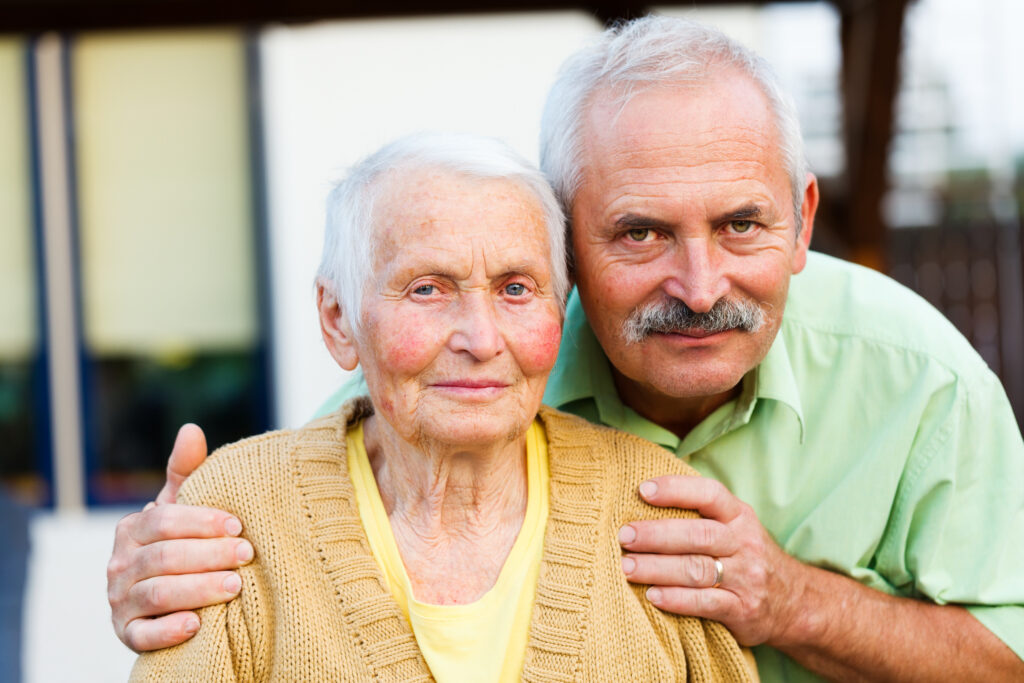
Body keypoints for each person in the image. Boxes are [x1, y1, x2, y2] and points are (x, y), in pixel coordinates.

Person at [108, 16, 1024, 681]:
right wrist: (161, 573)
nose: (699, 286)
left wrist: (790, 601)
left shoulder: (924, 383)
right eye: (639, 233)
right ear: (568, 245)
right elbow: (312, 508)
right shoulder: (480, 366)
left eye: (743, 224)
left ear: (802, 222)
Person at [129, 132, 757, 681]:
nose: (481, 340)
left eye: (517, 288)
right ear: (338, 319)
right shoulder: (240, 514)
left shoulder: (654, 508)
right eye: (428, 289)